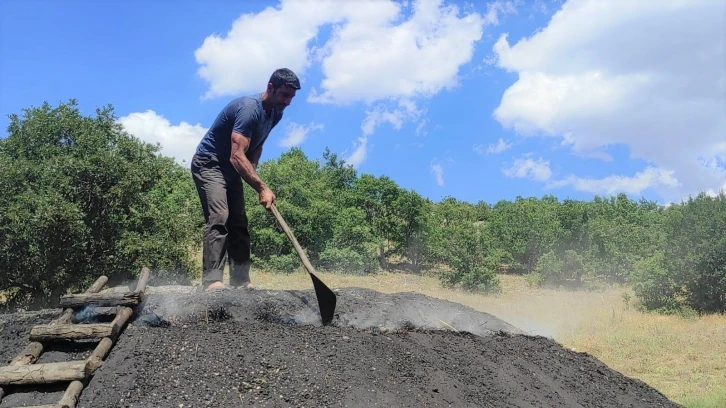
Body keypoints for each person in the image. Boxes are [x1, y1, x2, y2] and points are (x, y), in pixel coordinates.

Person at [191, 68, 300, 292]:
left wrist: (253, 176)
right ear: (270, 87)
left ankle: (240, 280)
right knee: (220, 215)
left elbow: (256, 146)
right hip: (209, 163)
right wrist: (261, 186)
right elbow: (236, 154)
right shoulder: (249, 109)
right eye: (283, 95)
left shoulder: (275, 113)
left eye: (291, 97)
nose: (287, 101)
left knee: (239, 221)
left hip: (232, 168)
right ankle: (212, 281)